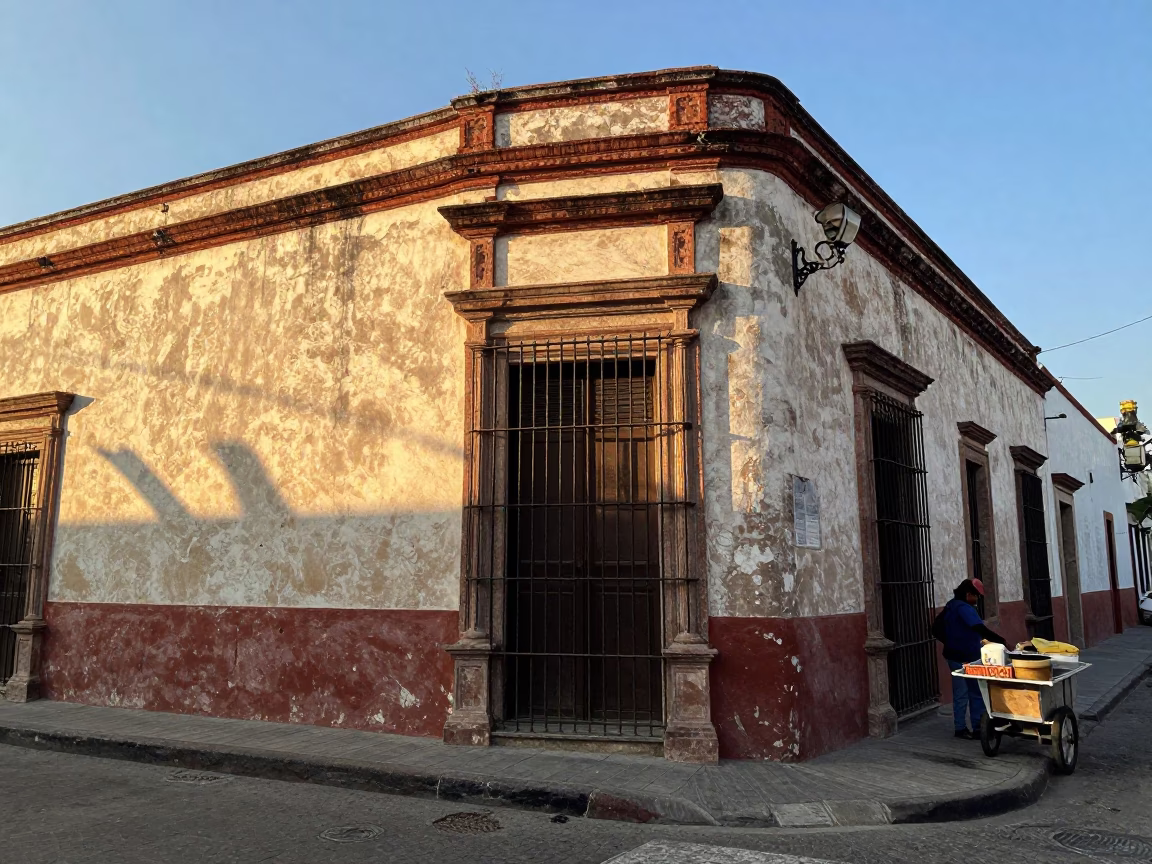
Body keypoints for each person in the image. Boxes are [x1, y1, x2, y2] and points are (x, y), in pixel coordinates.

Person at [941, 578, 1007, 739]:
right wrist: (1001, 641)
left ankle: (960, 727)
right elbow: (978, 627)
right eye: (976, 596)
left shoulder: (951, 605)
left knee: (960, 692)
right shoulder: (965, 608)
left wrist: (950, 641)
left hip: (952, 654)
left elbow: (936, 628)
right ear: (968, 594)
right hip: (967, 656)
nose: (977, 599)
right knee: (975, 691)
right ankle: (978, 727)